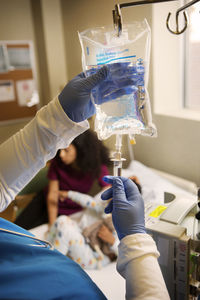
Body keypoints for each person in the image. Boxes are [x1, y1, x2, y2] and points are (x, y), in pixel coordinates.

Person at [0, 64, 170, 299]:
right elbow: (88, 203)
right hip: (66, 259)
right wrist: (136, 239)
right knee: (62, 223)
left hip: (93, 255)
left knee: (63, 224)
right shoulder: (97, 198)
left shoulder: (104, 193)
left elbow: (96, 213)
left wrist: (58, 117)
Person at [14, 129, 111, 230]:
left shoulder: (96, 166)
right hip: (47, 203)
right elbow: (52, 195)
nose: (61, 155)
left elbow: (107, 189)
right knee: (17, 230)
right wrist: (52, 225)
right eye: (60, 149)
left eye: (66, 150)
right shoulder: (58, 162)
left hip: (73, 210)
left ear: (81, 150)